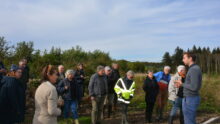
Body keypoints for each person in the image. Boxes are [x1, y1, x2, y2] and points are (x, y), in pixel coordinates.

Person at [176, 52, 202, 124]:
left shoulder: (194, 69)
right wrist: (182, 85)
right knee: (189, 121)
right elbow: (192, 85)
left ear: (190, 58)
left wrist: (182, 84)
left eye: (184, 58)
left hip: (190, 99)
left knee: (189, 122)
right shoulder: (192, 68)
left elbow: (194, 87)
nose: (182, 60)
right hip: (189, 98)